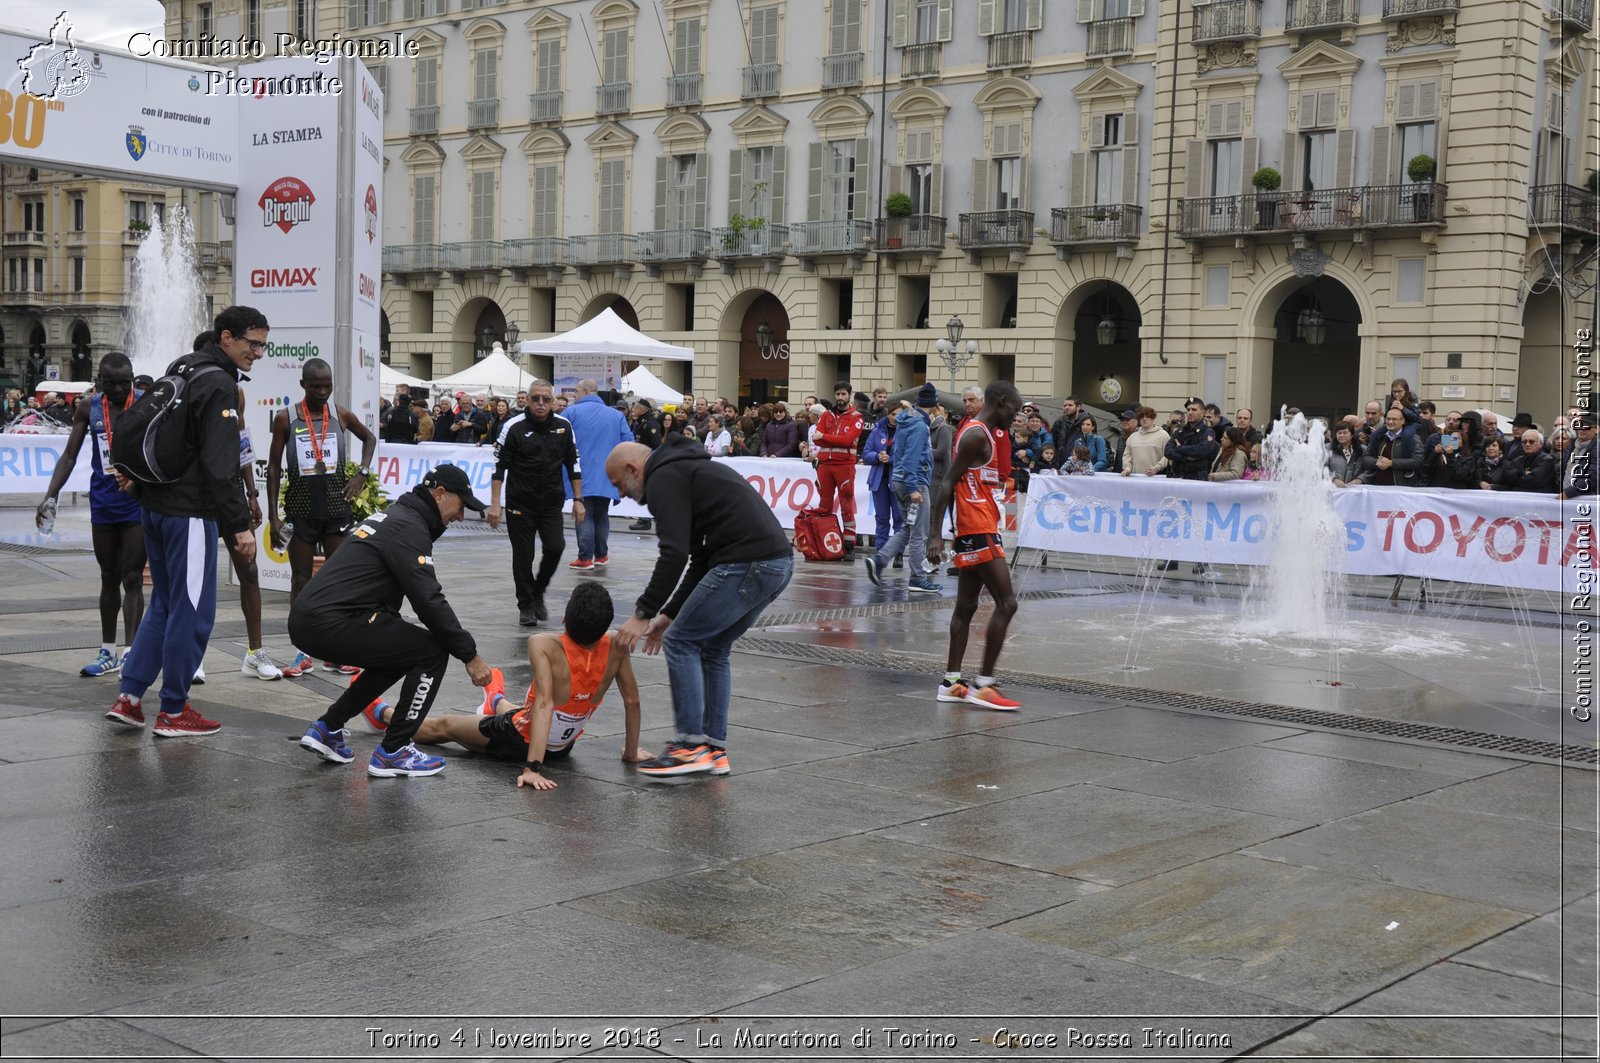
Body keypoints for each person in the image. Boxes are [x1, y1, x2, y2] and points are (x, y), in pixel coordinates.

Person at [104, 306, 263, 737]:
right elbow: (219, 462)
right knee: (193, 612)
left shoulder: (184, 366)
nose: (259, 353)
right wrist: (239, 526)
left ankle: (130, 697)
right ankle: (174, 710)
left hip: (154, 505)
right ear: (226, 337)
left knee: (166, 605)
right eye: (253, 343)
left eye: (263, 344)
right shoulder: (218, 382)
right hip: (189, 513)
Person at [606, 436, 793, 778]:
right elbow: (699, 558)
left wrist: (641, 614)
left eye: (619, 484)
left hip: (747, 561)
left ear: (634, 469)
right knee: (714, 648)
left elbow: (673, 553)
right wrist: (669, 612)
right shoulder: (684, 470)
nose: (621, 494)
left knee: (681, 642)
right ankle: (712, 749)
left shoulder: (663, 477)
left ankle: (689, 747)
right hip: (775, 563)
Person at [290, 465, 492, 776]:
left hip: (315, 618)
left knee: (397, 655)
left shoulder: (398, 515)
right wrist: (470, 655)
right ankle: (394, 750)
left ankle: (327, 728)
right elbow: (428, 600)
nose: (462, 516)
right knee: (431, 652)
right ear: (439, 495)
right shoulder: (409, 527)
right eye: (461, 506)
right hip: (332, 620)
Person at [383, 582, 651, 788]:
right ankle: (495, 700)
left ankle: (380, 712)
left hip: (519, 741)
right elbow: (632, 701)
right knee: (524, 710)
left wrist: (532, 768)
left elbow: (545, 703)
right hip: (562, 747)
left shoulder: (544, 643)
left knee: (445, 726)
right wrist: (630, 753)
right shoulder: (616, 644)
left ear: (565, 619)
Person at [266, 357, 378, 677]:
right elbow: (274, 469)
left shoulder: (340, 415)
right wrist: (274, 517)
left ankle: (337, 651)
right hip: (301, 512)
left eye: (327, 385)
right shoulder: (286, 418)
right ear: (303, 385)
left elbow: (369, 438)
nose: (322, 391)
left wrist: (362, 475)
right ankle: (302, 651)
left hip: (336, 511)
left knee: (340, 581)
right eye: (315, 386)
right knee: (300, 582)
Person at [37, 352, 145, 677]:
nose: (118, 389)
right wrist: (50, 495)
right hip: (103, 503)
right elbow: (69, 454)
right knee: (109, 578)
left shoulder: (144, 403)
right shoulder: (89, 407)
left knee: (133, 577)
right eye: (111, 383)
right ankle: (107, 651)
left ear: (132, 378)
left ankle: (131, 652)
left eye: (124, 383)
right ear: (100, 381)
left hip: (137, 503)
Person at [926, 380, 1024, 711]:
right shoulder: (976, 434)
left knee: (966, 607)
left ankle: (952, 683)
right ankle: (984, 684)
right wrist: (935, 534)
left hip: (975, 526)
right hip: (977, 528)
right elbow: (946, 483)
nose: (1017, 415)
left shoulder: (981, 433)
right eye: (1014, 408)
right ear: (1000, 402)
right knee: (1007, 603)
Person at [490, 380, 584, 627]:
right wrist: (495, 504)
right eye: (535, 399)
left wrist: (578, 500)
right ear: (527, 400)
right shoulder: (513, 426)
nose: (541, 404)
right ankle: (526, 605)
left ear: (553, 401)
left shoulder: (564, 426)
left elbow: (573, 464)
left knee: (556, 547)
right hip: (520, 502)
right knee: (523, 556)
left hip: (552, 501)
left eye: (545, 399)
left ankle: (538, 590)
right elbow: (499, 468)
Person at [865, 385, 942, 594]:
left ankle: (879, 559)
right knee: (919, 534)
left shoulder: (905, 421)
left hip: (899, 480)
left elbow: (899, 453)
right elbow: (911, 458)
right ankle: (917, 577)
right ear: (934, 405)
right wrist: (913, 488)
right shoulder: (919, 426)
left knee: (907, 529)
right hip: (913, 483)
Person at [563, 378, 632, 571]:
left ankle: (585, 557)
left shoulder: (571, 412)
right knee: (601, 514)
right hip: (608, 473)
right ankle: (601, 555)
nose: (574, 396)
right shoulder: (615, 415)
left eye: (576, 392)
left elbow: (560, 438)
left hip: (580, 473)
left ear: (585, 391)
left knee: (583, 513)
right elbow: (628, 441)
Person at [813, 382, 866, 550]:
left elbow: (847, 440)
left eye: (843, 394)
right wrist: (826, 437)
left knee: (846, 504)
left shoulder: (857, 417)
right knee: (825, 504)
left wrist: (825, 436)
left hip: (844, 466)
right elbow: (815, 438)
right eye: (838, 394)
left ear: (849, 395)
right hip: (824, 465)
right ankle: (827, 542)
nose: (840, 397)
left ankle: (849, 542)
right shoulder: (827, 415)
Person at [861, 408, 903, 560]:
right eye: (893, 414)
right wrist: (878, 456)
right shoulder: (877, 430)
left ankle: (898, 553)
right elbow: (866, 453)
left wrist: (890, 459)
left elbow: (908, 455)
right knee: (882, 518)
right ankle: (881, 553)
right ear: (887, 415)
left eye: (899, 414)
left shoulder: (907, 431)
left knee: (899, 518)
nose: (895, 417)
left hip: (898, 480)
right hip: (879, 480)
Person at [627, 398, 662, 532]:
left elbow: (656, 445)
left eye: (635, 408)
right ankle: (644, 518)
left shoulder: (651, 424)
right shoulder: (642, 422)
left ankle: (646, 519)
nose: (633, 410)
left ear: (642, 410)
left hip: (646, 461)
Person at [1121, 406, 1169, 477]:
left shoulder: (1163, 435)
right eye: (1142, 417)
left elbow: (1168, 456)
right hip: (1135, 478)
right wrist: (1127, 468)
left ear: (1153, 418)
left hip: (1156, 479)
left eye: (1148, 416)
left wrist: (1157, 468)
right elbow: (1127, 455)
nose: (1144, 419)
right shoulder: (1132, 437)